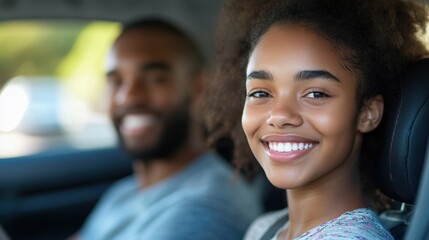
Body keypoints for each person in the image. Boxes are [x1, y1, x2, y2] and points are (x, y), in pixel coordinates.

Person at [205, 0, 429, 239]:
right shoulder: (265, 228)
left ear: (368, 113)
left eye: (315, 94)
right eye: (260, 93)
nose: (280, 116)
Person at [75, 18, 262, 240]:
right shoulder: (123, 192)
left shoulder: (205, 209)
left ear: (198, 88)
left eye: (156, 79)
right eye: (116, 81)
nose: (129, 97)